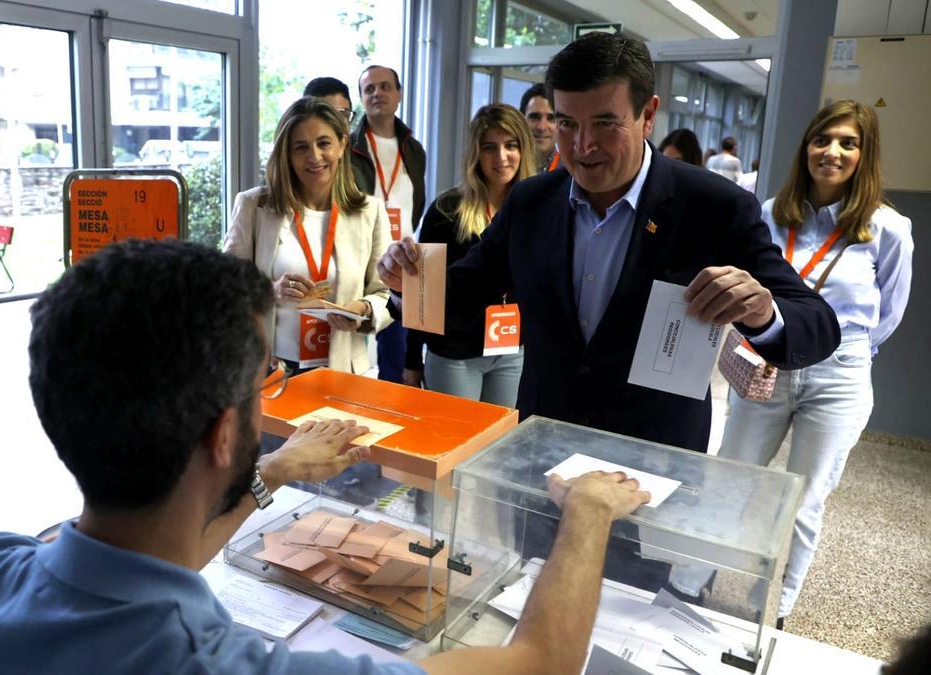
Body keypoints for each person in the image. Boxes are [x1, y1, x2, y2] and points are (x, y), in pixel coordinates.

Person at [0, 237, 654, 675]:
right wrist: (587, 511)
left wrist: (273, 471)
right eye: (259, 382)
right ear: (226, 432)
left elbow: (129, 552)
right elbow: (539, 663)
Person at [378, 31, 840, 454]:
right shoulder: (532, 203)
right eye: (566, 123)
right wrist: (406, 283)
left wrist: (762, 312)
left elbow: (817, 323)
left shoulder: (713, 207)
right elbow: (463, 295)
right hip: (543, 445)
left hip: (652, 458)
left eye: (604, 123)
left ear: (648, 116)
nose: (582, 145)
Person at [713, 100, 913, 625]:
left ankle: (772, 611)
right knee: (730, 479)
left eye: (848, 143)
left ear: (864, 156)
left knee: (804, 499)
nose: (832, 152)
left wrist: (845, 353)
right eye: (823, 140)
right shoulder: (771, 213)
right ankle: (689, 581)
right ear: (806, 147)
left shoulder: (887, 229)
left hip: (839, 371)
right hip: (768, 361)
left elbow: (887, 313)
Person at [224, 96, 391, 374]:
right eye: (300, 147)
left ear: (342, 145)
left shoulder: (369, 211)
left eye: (324, 143)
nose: (314, 157)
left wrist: (362, 309)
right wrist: (271, 290)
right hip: (271, 370)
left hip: (342, 369)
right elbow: (226, 287)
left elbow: (385, 293)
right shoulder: (255, 206)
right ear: (287, 155)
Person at [403, 104, 535, 406]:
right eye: (490, 147)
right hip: (454, 352)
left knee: (500, 445)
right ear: (476, 153)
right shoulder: (446, 211)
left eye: (511, 145)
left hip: (511, 349)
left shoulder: (534, 207)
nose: (501, 157)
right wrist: (412, 360)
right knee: (457, 450)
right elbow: (421, 293)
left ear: (523, 149)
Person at [351, 64, 427, 383]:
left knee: (397, 349)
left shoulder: (413, 148)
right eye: (369, 89)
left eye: (384, 87)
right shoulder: (349, 149)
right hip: (361, 257)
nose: (377, 93)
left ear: (398, 95)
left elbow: (417, 201)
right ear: (361, 97)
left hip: (401, 261)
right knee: (352, 345)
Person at [519, 83, 559, 173]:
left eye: (551, 118)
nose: (542, 127)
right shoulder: (506, 167)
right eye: (535, 117)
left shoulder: (572, 173)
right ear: (521, 120)